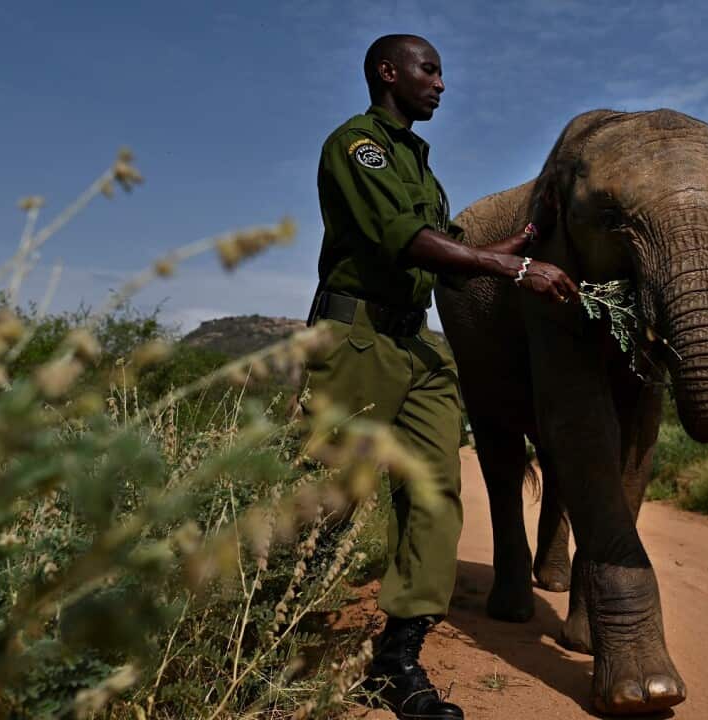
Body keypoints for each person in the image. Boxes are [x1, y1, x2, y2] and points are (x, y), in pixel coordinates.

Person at [301, 34, 578, 720]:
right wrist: (516, 270)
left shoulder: (422, 168)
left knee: (434, 495)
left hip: (415, 343)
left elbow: (452, 255)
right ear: (388, 72)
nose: (442, 84)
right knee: (333, 496)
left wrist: (530, 237)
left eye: (442, 71)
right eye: (430, 70)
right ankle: (284, 636)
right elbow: (409, 241)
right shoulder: (356, 147)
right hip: (356, 338)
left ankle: (396, 662)